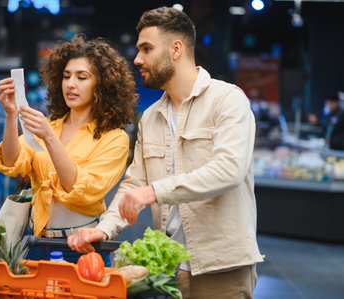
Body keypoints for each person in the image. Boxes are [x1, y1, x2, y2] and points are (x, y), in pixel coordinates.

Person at [68, 6, 264, 298]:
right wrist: (106, 229)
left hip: (220, 269)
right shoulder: (151, 117)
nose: (137, 59)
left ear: (176, 49)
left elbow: (228, 171)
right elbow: (134, 183)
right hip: (167, 269)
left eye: (146, 49)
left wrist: (154, 192)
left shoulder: (227, 101)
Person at [0, 34, 137, 264]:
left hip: (81, 249)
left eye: (82, 77)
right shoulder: (50, 125)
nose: (70, 84)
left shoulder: (114, 138)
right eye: (66, 76)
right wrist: (11, 115)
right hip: (35, 244)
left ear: (102, 84)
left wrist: (49, 138)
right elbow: (11, 162)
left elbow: (79, 188)